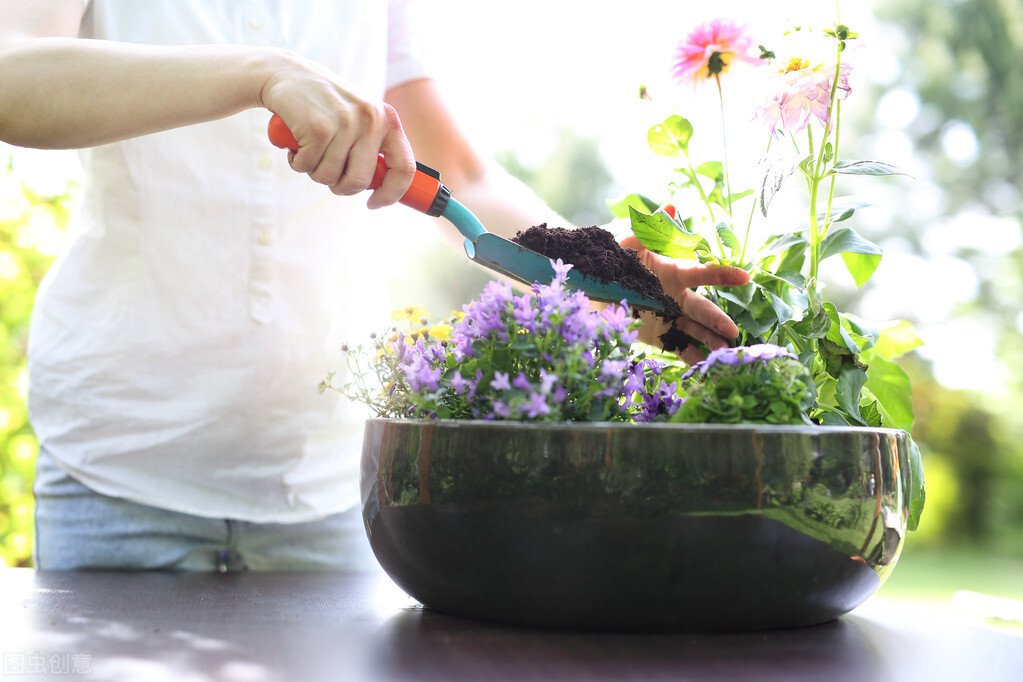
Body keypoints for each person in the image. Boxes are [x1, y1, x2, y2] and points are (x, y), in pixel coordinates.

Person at [0, 1, 750, 571]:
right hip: (119, 468)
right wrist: (260, 73)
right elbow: (10, 76)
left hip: (327, 481)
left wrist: (601, 273)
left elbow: (461, 176)